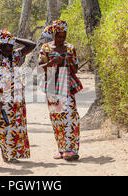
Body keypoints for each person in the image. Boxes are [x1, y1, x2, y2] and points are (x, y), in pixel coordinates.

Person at [0, 29, 36, 163]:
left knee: (17, 125)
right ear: (0, 46)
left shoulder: (15, 55)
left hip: (18, 96)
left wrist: (14, 39)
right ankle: (6, 153)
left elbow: (32, 45)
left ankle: (14, 153)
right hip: (1, 96)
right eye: (5, 46)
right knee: (3, 124)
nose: (8, 49)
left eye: (11, 46)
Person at [38, 20, 83, 161]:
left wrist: (69, 61)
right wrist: (52, 63)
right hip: (52, 86)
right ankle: (62, 149)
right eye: (58, 36)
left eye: (63, 35)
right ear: (53, 34)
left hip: (67, 85)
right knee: (57, 119)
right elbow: (42, 66)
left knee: (71, 116)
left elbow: (75, 70)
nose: (61, 39)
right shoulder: (45, 48)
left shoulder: (70, 48)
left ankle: (72, 150)